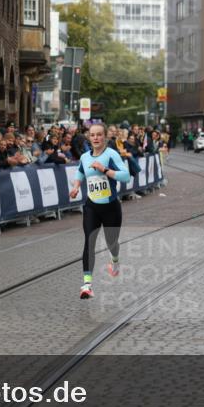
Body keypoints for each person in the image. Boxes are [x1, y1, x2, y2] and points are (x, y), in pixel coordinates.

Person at [68, 123, 132, 300]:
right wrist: (75, 187)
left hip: (111, 207)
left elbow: (126, 176)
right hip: (92, 206)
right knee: (89, 242)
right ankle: (87, 284)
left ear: (104, 137)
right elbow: (80, 173)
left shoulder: (111, 155)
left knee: (112, 243)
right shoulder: (84, 157)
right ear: (89, 137)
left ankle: (115, 260)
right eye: (93, 135)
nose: (96, 138)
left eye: (99, 135)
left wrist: (104, 169)